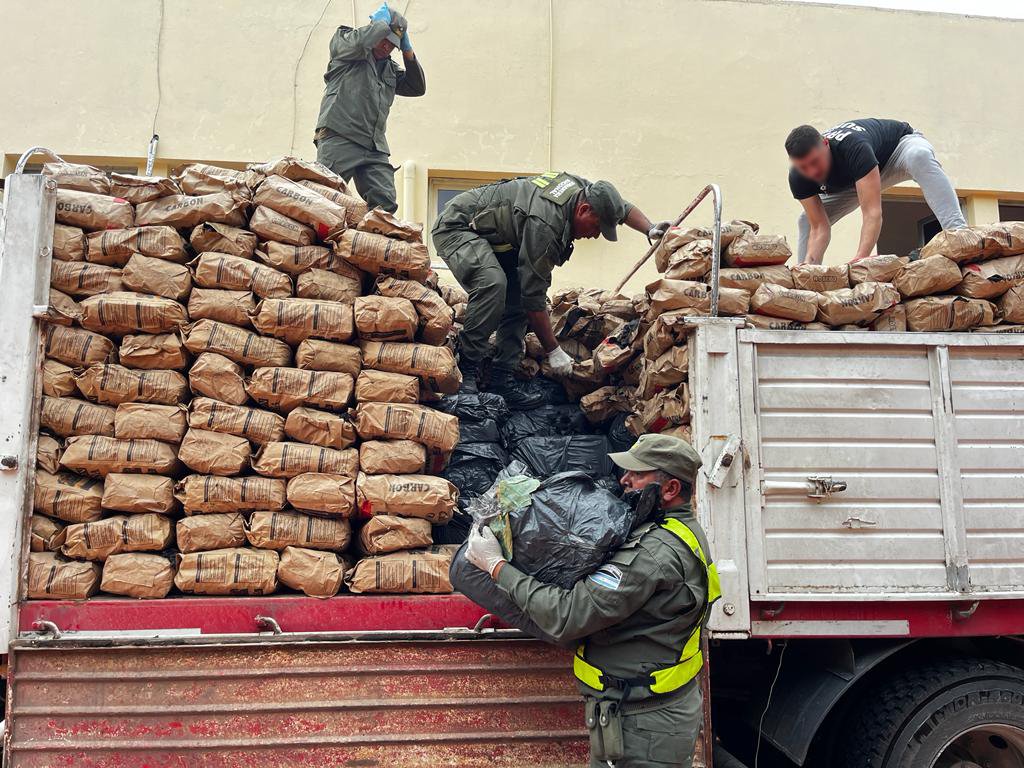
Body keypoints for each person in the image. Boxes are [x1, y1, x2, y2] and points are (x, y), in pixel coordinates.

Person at [464, 434, 720, 768]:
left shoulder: (652, 554)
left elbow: (569, 615)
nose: (623, 480)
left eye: (637, 474)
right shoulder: (675, 531)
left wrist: (496, 566)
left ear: (670, 489)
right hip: (638, 714)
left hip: (644, 729)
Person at [432, 171, 668, 408]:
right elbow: (533, 298)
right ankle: (465, 372)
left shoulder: (582, 190)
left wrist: (649, 228)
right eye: (597, 227)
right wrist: (554, 351)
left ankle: (501, 378)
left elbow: (621, 207)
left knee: (515, 300)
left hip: (497, 239)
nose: (596, 235)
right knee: (493, 284)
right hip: (459, 227)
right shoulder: (545, 226)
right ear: (583, 210)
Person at [786, 118, 967, 264]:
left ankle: (960, 237)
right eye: (803, 167)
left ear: (826, 144)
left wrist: (860, 259)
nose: (812, 171)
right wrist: (808, 270)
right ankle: (805, 283)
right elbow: (819, 227)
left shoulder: (853, 147)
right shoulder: (798, 177)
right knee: (806, 221)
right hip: (854, 181)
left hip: (896, 151)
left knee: (919, 156)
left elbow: (872, 212)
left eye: (816, 162)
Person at [314, 3, 425, 213]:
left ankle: (369, 244)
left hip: (374, 147)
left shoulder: (389, 69)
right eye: (384, 39)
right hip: (341, 136)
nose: (387, 47)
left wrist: (407, 50)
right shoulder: (347, 46)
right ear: (375, 28)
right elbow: (362, 42)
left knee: (385, 206)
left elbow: (416, 87)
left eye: (393, 44)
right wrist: (380, 25)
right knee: (324, 197)